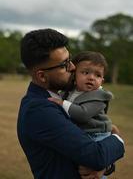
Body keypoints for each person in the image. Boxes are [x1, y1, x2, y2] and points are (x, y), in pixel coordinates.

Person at [17, 28, 124, 179]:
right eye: (64, 64)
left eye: (70, 60)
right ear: (42, 76)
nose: (73, 67)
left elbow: (94, 158)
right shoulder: (39, 110)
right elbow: (96, 156)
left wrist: (104, 167)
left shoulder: (61, 96)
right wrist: (117, 139)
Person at [48, 51, 116, 178]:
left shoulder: (99, 96)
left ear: (102, 80)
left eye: (97, 75)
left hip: (96, 135)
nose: (91, 77)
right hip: (83, 134)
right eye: (85, 72)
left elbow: (83, 114)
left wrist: (62, 103)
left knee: (93, 168)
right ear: (75, 74)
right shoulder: (69, 92)